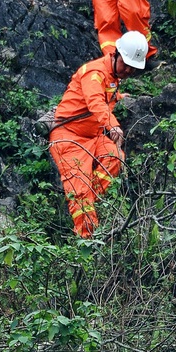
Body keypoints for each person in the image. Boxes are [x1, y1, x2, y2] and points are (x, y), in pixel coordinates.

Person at [48, 31, 148, 238]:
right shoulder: (94, 73)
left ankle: (90, 201)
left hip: (92, 136)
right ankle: (88, 240)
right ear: (115, 54)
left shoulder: (112, 75)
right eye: (126, 65)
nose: (128, 70)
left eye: (133, 68)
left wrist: (119, 96)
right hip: (70, 138)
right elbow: (95, 101)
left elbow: (105, 94)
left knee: (114, 157)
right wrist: (113, 125)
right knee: (80, 192)